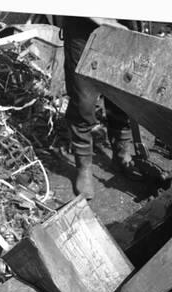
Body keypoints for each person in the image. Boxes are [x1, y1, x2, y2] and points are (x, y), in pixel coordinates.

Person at [63, 16, 134, 199]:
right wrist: (104, 20)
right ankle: (83, 165)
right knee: (83, 98)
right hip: (83, 24)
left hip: (123, 24)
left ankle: (121, 151)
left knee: (122, 90)